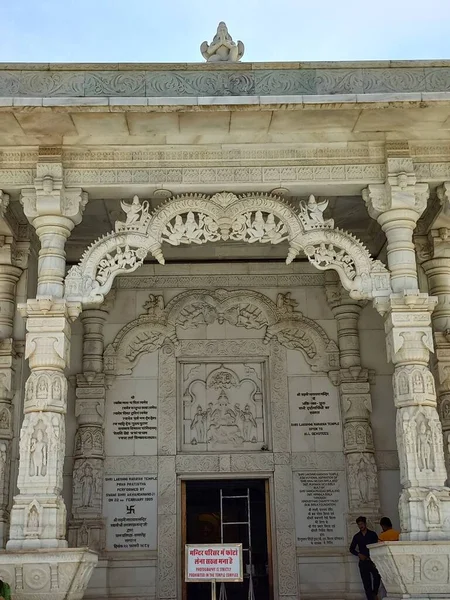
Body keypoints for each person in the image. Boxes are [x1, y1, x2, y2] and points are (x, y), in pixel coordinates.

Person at [349, 516, 381, 600]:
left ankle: (374, 593)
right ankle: (370, 598)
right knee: (366, 583)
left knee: (377, 577)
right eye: (359, 525)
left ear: (365, 524)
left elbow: (376, 546)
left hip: (372, 560)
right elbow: (351, 549)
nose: (360, 526)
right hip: (363, 562)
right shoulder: (357, 536)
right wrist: (359, 554)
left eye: (362, 524)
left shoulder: (372, 534)